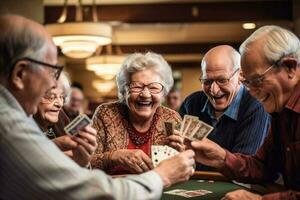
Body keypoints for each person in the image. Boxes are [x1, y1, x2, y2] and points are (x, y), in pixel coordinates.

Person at [0, 14, 196, 199]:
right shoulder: (9, 126)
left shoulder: (14, 119)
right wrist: (161, 176)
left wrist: (56, 150)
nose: (54, 86)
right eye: (52, 71)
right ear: (20, 74)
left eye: (154, 87)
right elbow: (92, 193)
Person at [191, 25, 300, 199]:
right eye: (247, 82)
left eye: (257, 80)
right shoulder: (280, 111)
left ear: (290, 68)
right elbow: (262, 167)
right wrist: (221, 158)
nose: (251, 92)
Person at [172, 45, 269, 160]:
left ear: (241, 75)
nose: (214, 90)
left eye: (222, 81)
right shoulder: (192, 103)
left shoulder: (257, 106)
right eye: (207, 81)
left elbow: (244, 166)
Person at [91, 52, 183, 174]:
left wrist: (182, 155)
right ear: (124, 90)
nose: (145, 94)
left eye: (154, 87)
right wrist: (113, 156)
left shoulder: (171, 118)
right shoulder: (106, 114)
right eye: (136, 86)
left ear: (163, 93)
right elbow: (85, 162)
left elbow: (180, 168)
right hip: (113, 189)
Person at [33, 72, 92, 167]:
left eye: (62, 97)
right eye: (51, 96)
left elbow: (80, 161)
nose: (60, 104)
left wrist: (83, 160)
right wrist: (54, 147)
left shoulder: (60, 116)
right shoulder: (19, 122)